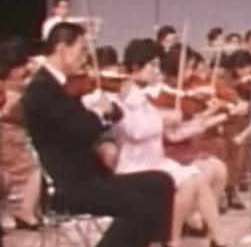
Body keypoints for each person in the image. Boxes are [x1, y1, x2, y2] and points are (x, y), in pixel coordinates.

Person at [22, 23, 174, 247]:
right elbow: (77, 132)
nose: (85, 58)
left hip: (91, 176)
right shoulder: (41, 89)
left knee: (161, 182)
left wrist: (110, 109)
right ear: (62, 48)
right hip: (68, 186)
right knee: (137, 207)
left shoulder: (66, 86)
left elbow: (96, 123)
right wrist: (99, 112)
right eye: (82, 50)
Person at [116, 38, 229, 247]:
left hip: (155, 160)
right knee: (188, 181)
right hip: (135, 164)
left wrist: (200, 121)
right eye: (151, 65)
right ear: (136, 66)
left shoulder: (143, 96)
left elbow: (172, 135)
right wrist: (163, 120)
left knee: (197, 178)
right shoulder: (125, 95)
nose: (155, 71)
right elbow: (134, 132)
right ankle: (173, 240)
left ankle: (217, 237)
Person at [0, 39, 41, 231]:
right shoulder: (7, 90)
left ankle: (24, 210)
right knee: (36, 170)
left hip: (16, 136)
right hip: (8, 137)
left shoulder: (20, 86)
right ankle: (25, 211)